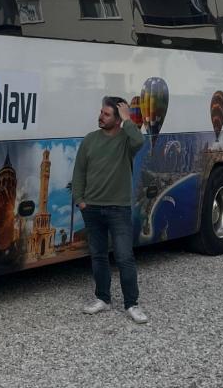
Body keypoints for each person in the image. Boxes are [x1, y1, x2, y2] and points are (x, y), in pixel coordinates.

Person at [72, 96, 148, 324]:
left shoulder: (126, 141)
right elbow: (79, 172)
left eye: (106, 114)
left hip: (118, 209)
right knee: (98, 256)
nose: (100, 117)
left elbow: (140, 141)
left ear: (117, 120)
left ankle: (132, 304)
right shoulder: (90, 140)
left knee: (124, 257)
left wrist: (128, 119)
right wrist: (80, 200)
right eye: (101, 112)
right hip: (92, 208)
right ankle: (102, 298)